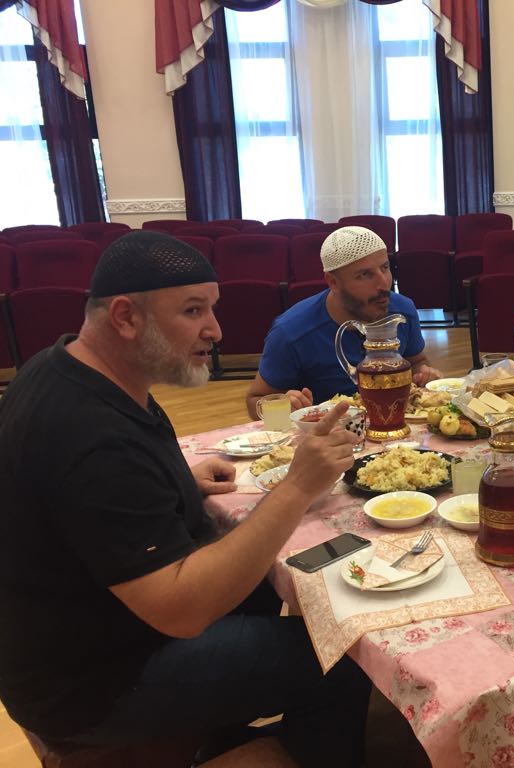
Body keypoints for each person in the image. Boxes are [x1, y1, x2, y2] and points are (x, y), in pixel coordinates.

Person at [0, 232, 370, 767]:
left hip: (92, 634)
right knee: (342, 660)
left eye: (212, 308)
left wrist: (172, 483)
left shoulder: (67, 367)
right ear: (125, 317)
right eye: (193, 310)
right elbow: (183, 611)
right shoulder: (89, 433)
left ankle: (227, 736)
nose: (215, 330)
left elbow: (86, 497)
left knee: (267, 583)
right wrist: (297, 485)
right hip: (94, 684)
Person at [246, 225, 442, 418]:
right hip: (326, 431)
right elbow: (255, 401)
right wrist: (283, 405)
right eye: (365, 275)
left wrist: (424, 373)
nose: (383, 283)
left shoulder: (403, 310)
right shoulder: (291, 331)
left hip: (396, 425)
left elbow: (417, 361)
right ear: (333, 282)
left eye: (385, 268)